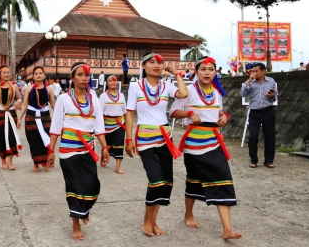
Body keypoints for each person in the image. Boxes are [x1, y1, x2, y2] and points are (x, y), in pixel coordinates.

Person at [170, 56, 242, 240]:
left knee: (223, 178)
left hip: (214, 141)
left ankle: (227, 229)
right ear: (196, 71)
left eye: (211, 69)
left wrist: (224, 117)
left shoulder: (216, 91)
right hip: (194, 143)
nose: (207, 72)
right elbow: (173, 112)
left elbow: (219, 112)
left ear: (215, 72)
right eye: (203, 69)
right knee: (193, 180)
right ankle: (188, 214)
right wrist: (190, 113)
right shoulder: (189, 90)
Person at [125, 52, 188, 236]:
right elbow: (129, 113)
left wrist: (176, 72)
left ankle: (153, 221)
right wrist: (128, 139)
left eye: (160, 63)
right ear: (143, 66)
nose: (157, 65)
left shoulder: (167, 86)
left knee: (166, 182)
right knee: (156, 181)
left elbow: (183, 93)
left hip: (165, 139)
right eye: (152, 62)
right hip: (145, 139)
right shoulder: (135, 86)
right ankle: (147, 220)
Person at [48, 62, 110, 241]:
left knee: (92, 186)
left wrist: (105, 147)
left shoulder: (94, 99)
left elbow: (99, 126)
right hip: (68, 150)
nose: (84, 78)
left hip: (88, 149)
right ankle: (76, 224)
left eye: (87, 75)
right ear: (73, 78)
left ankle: (83, 209)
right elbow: (56, 126)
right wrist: (51, 150)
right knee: (74, 187)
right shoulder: (64, 99)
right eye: (80, 75)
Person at [17, 67, 56, 172]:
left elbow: (53, 104)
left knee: (46, 139)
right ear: (33, 76)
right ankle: (36, 164)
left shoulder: (49, 89)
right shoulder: (29, 89)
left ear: (44, 75)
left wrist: (61, 116)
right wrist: (19, 118)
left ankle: (46, 162)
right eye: (36, 73)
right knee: (34, 141)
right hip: (31, 118)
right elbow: (24, 104)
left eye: (40, 73)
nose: (38, 75)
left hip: (45, 118)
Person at [240, 62, 277, 168]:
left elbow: (275, 95)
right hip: (255, 112)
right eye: (253, 71)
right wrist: (249, 81)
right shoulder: (250, 82)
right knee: (253, 137)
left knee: (269, 136)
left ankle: (269, 160)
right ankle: (253, 160)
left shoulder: (271, 81)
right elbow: (242, 94)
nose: (254, 73)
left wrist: (272, 95)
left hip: (268, 111)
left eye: (256, 71)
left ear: (263, 71)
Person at [0, 66, 23, 170]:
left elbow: (18, 99)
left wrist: (18, 103)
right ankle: (3, 160)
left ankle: (10, 161)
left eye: (8, 72)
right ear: (0, 75)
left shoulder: (14, 86)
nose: (7, 74)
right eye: (4, 73)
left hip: (11, 114)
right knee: (0, 137)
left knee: (12, 137)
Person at [99, 75, 127, 174]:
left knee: (119, 145)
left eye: (114, 81)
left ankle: (117, 167)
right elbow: (100, 113)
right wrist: (100, 127)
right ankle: (104, 159)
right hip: (107, 125)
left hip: (120, 124)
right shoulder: (103, 96)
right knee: (106, 145)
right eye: (110, 81)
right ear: (107, 83)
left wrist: (127, 125)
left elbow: (125, 112)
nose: (112, 82)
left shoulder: (122, 96)